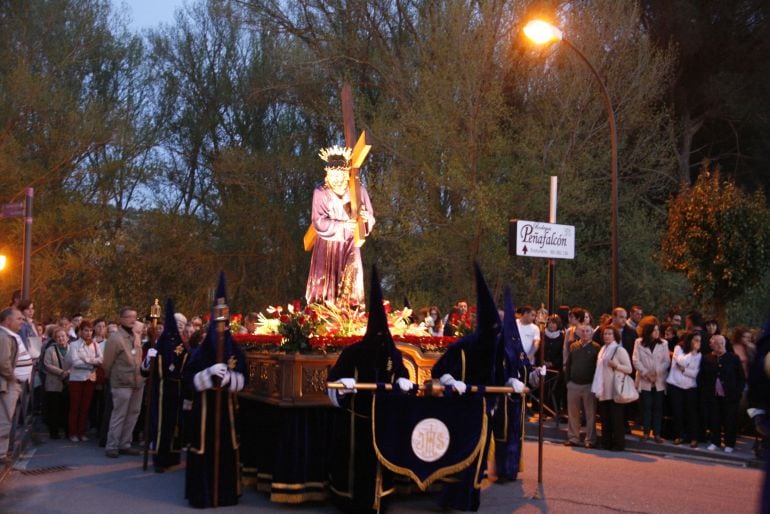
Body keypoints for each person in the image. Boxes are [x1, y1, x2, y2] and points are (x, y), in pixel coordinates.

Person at [327, 266, 412, 513]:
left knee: (381, 464)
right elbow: (333, 382)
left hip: (382, 420)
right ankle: (351, 500)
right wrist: (343, 386)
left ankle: (380, 499)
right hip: (356, 421)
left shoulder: (393, 353)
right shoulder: (353, 352)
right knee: (356, 465)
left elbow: (402, 376)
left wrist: (403, 383)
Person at [185, 273, 248, 508]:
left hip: (227, 409)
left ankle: (226, 493)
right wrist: (209, 374)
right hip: (204, 410)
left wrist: (230, 377)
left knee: (226, 448)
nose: (221, 328)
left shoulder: (235, 350)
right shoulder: (201, 351)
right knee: (204, 447)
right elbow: (189, 379)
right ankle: (202, 494)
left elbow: (244, 378)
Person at [305, 145, 375, 308]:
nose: (337, 178)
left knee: (352, 271)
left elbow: (369, 217)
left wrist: (365, 218)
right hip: (329, 243)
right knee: (327, 277)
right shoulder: (321, 193)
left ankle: (351, 308)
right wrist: (342, 224)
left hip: (350, 241)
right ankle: (325, 308)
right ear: (327, 174)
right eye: (333, 174)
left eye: (340, 174)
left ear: (346, 174)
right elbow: (318, 221)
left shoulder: (357, 190)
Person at [148, 299, 189, 473]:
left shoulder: (184, 344)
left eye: (182, 324)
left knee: (176, 424)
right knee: (162, 424)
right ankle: (160, 459)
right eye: (177, 323)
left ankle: (173, 456)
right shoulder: (162, 342)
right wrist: (151, 358)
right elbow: (149, 368)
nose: (179, 326)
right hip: (163, 387)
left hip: (178, 387)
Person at [102, 307, 145, 458]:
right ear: (121, 319)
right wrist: (112, 377)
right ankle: (112, 445)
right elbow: (107, 363)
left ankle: (125, 443)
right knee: (119, 414)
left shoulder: (136, 336)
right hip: (121, 382)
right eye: (129, 317)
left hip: (137, 381)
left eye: (134, 316)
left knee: (133, 413)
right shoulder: (115, 338)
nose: (133, 320)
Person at [701, 334, 744, 452]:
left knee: (730, 420)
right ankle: (715, 441)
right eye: (713, 343)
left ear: (723, 343)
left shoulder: (733, 358)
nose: (717, 345)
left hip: (730, 395)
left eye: (719, 342)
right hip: (713, 395)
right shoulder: (707, 358)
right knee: (714, 419)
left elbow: (741, 377)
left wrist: (738, 393)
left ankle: (729, 443)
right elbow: (703, 377)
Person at [591, 325, 632, 451]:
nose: (606, 336)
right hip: (603, 389)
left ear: (615, 336)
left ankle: (618, 444)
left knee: (616, 419)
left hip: (614, 389)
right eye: (605, 334)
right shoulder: (603, 349)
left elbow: (629, 369)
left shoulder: (619, 350)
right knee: (605, 419)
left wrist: (616, 365)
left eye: (609, 334)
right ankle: (606, 442)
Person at [632, 316, 670, 443]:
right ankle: (646, 432)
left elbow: (666, 361)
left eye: (658, 330)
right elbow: (635, 360)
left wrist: (656, 372)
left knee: (658, 407)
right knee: (646, 407)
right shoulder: (639, 342)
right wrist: (646, 373)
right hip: (645, 379)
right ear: (648, 332)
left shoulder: (664, 343)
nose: (657, 333)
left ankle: (657, 433)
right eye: (654, 330)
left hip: (658, 379)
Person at [0, 307, 30, 463]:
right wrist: (12, 378)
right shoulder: (4, 337)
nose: (22, 321)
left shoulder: (9, 336)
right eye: (19, 318)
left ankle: (3, 452)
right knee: (4, 419)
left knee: (6, 419)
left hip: (12, 383)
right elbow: (3, 362)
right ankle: (1, 454)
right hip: (7, 384)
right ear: (7, 320)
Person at [64, 320, 102, 442]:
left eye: (90, 331)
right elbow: (75, 362)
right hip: (76, 379)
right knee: (75, 406)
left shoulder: (95, 344)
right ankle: (73, 433)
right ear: (80, 331)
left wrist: (86, 360)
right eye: (86, 330)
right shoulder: (74, 345)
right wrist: (91, 363)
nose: (88, 333)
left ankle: (81, 432)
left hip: (90, 379)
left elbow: (100, 360)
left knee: (85, 407)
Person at [564, 324, 600, 448]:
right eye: (583, 331)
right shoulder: (574, 346)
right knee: (573, 414)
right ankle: (574, 437)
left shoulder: (596, 348)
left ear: (592, 333)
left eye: (588, 331)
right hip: (573, 384)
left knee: (590, 414)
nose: (585, 333)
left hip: (589, 385)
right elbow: (569, 364)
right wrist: (568, 381)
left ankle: (590, 439)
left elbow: (597, 368)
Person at [666, 331, 702, 447]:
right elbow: (681, 361)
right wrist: (691, 353)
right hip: (675, 384)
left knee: (691, 412)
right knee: (677, 411)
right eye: (695, 340)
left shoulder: (700, 354)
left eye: (699, 341)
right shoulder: (679, 348)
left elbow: (695, 373)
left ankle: (694, 437)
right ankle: (679, 435)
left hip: (690, 386)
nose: (697, 343)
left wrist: (684, 370)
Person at [44, 328, 70, 439]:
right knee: (54, 408)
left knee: (66, 407)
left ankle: (67, 430)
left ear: (67, 337)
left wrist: (69, 372)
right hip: (53, 383)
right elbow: (47, 364)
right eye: (58, 337)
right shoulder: (50, 350)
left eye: (63, 336)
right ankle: (54, 432)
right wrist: (61, 372)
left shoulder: (71, 349)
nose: (61, 338)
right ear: (55, 339)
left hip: (68, 382)